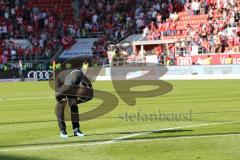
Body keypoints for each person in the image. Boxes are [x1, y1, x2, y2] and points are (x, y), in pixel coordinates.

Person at [55, 67, 93, 138]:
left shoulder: (88, 86)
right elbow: (58, 95)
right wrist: (62, 100)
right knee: (61, 105)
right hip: (60, 80)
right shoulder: (68, 85)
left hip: (73, 81)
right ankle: (62, 130)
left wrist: (77, 101)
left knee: (74, 106)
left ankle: (76, 130)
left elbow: (90, 97)